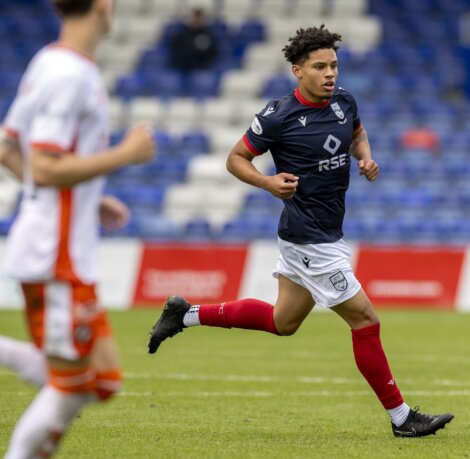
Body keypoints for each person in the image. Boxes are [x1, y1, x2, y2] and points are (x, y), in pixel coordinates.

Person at [147, 25, 454, 438]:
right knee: (365, 320)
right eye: (320, 66)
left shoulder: (344, 101)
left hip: (327, 232)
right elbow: (235, 158)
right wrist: (268, 183)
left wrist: (365, 158)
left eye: (334, 66)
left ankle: (186, 315)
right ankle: (402, 418)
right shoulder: (278, 116)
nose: (330, 74)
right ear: (297, 71)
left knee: (283, 321)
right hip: (308, 236)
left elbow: (357, 134)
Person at [0, 0, 155, 457]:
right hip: (56, 254)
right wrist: (123, 155)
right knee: (72, 386)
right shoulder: (70, 75)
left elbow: (10, 150)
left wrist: (89, 196)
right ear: (102, 5)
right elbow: (45, 169)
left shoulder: (50, 62)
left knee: (102, 380)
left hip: (60, 248)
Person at [168, 8, 217, 73]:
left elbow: (211, 54)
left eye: (199, 18)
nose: (196, 20)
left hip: (201, 69)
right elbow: (174, 51)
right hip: (182, 68)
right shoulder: (181, 35)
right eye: (194, 18)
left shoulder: (208, 36)